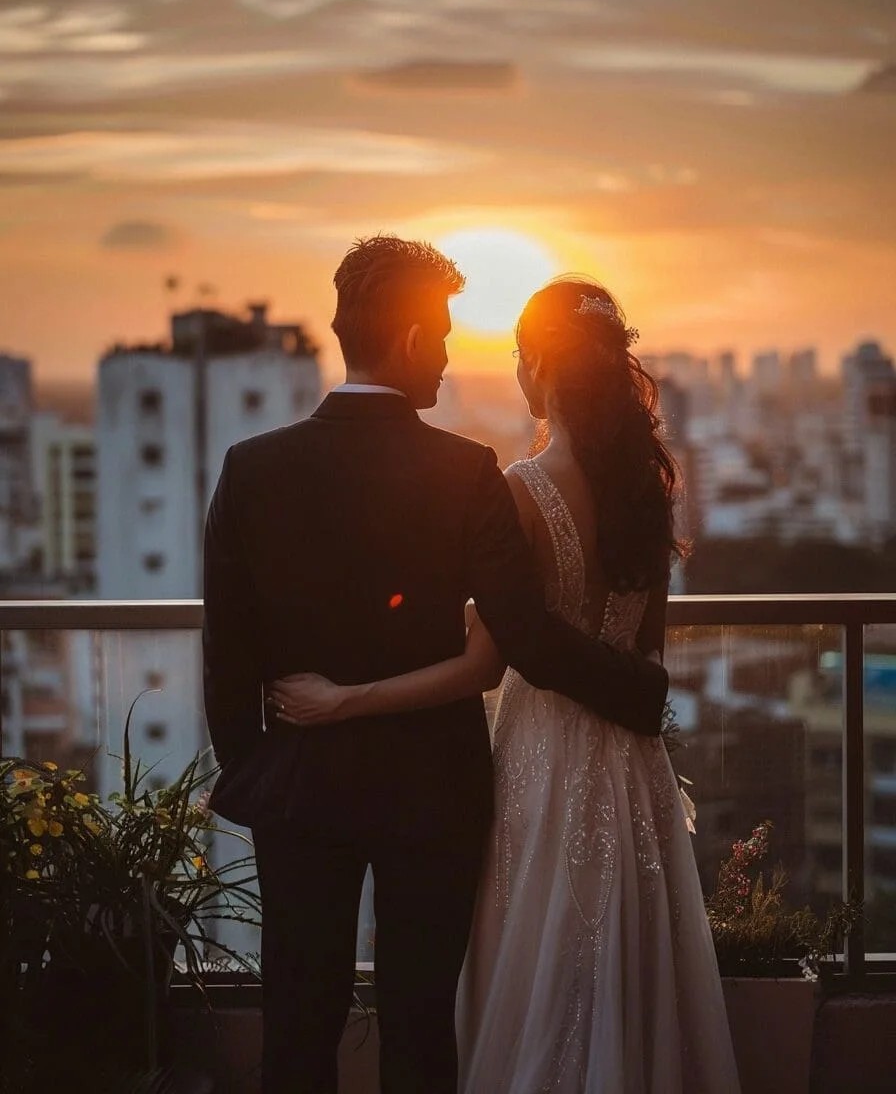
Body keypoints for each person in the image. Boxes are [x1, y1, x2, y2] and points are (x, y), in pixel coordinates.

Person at [202, 239, 669, 1094]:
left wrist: (261, 767)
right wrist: (643, 687)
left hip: (299, 786)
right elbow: (522, 634)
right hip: (433, 791)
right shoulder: (465, 472)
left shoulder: (250, 469)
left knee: (297, 1024)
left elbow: (225, 655)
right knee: (422, 1028)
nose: (451, 359)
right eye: (447, 337)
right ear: (415, 340)